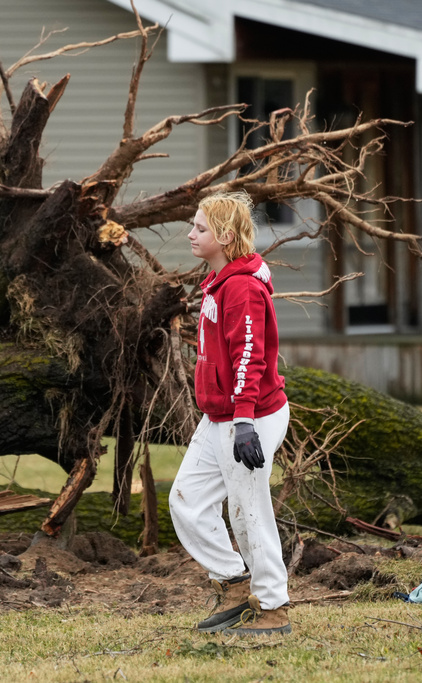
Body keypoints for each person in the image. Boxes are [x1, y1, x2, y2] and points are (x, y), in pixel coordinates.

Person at [170, 190, 291, 636]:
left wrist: (244, 422)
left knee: (247, 510)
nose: (190, 234)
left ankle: (274, 608)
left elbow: (249, 358)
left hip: (250, 418)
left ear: (223, 235)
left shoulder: (241, 287)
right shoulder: (220, 281)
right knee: (187, 501)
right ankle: (236, 586)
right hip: (220, 416)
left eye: (199, 228)